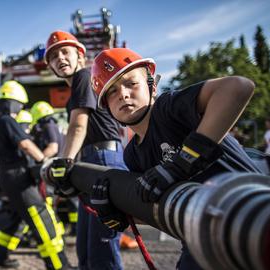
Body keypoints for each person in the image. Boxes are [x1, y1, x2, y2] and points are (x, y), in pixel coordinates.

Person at [87, 47, 260, 269]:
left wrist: (182, 162)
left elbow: (238, 87)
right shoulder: (132, 154)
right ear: (107, 108)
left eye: (131, 83)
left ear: (153, 86)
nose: (123, 94)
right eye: (111, 91)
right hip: (201, 240)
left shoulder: (168, 108)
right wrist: (119, 216)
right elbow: (159, 208)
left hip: (255, 221)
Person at [44, 30, 135, 270]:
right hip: (92, 161)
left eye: (65, 52)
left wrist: (63, 163)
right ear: (50, 66)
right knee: (86, 251)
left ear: (80, 57)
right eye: (53, 56)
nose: (60, 58)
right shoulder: (78, 85)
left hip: (103, 160)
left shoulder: (84, 77)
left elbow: (78, 125)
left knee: (101, 252)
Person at [0, 80, 69, 270]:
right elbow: (25, 144)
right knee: (42, 221)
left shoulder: (0, 122)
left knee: (17, 222)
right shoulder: (8, 120)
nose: (20, 110)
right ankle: (59, 265)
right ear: (13, 102)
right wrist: (43, 160)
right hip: (19, 180)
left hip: (10, 179)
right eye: (20, 105)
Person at [30, 101, 77, 234]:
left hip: (52, 169)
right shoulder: (55, 125)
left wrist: (38, 160)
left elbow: (53, 148)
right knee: (68, 200)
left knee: (49, 201)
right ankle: (71, 228)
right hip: (59, 168)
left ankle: (57, 230)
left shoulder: (48, 126)